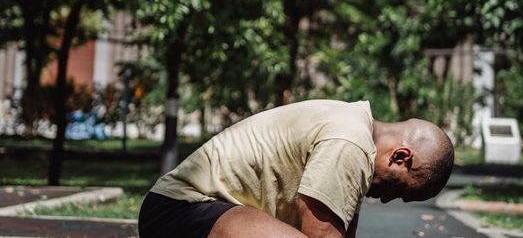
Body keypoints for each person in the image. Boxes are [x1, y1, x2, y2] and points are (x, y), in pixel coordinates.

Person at [138, 99, 454, 238]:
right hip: (178, 210)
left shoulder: (355, 134)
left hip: (205, 212)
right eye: (400, 190)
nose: (386, 200)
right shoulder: (350, 142)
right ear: (400, 156)